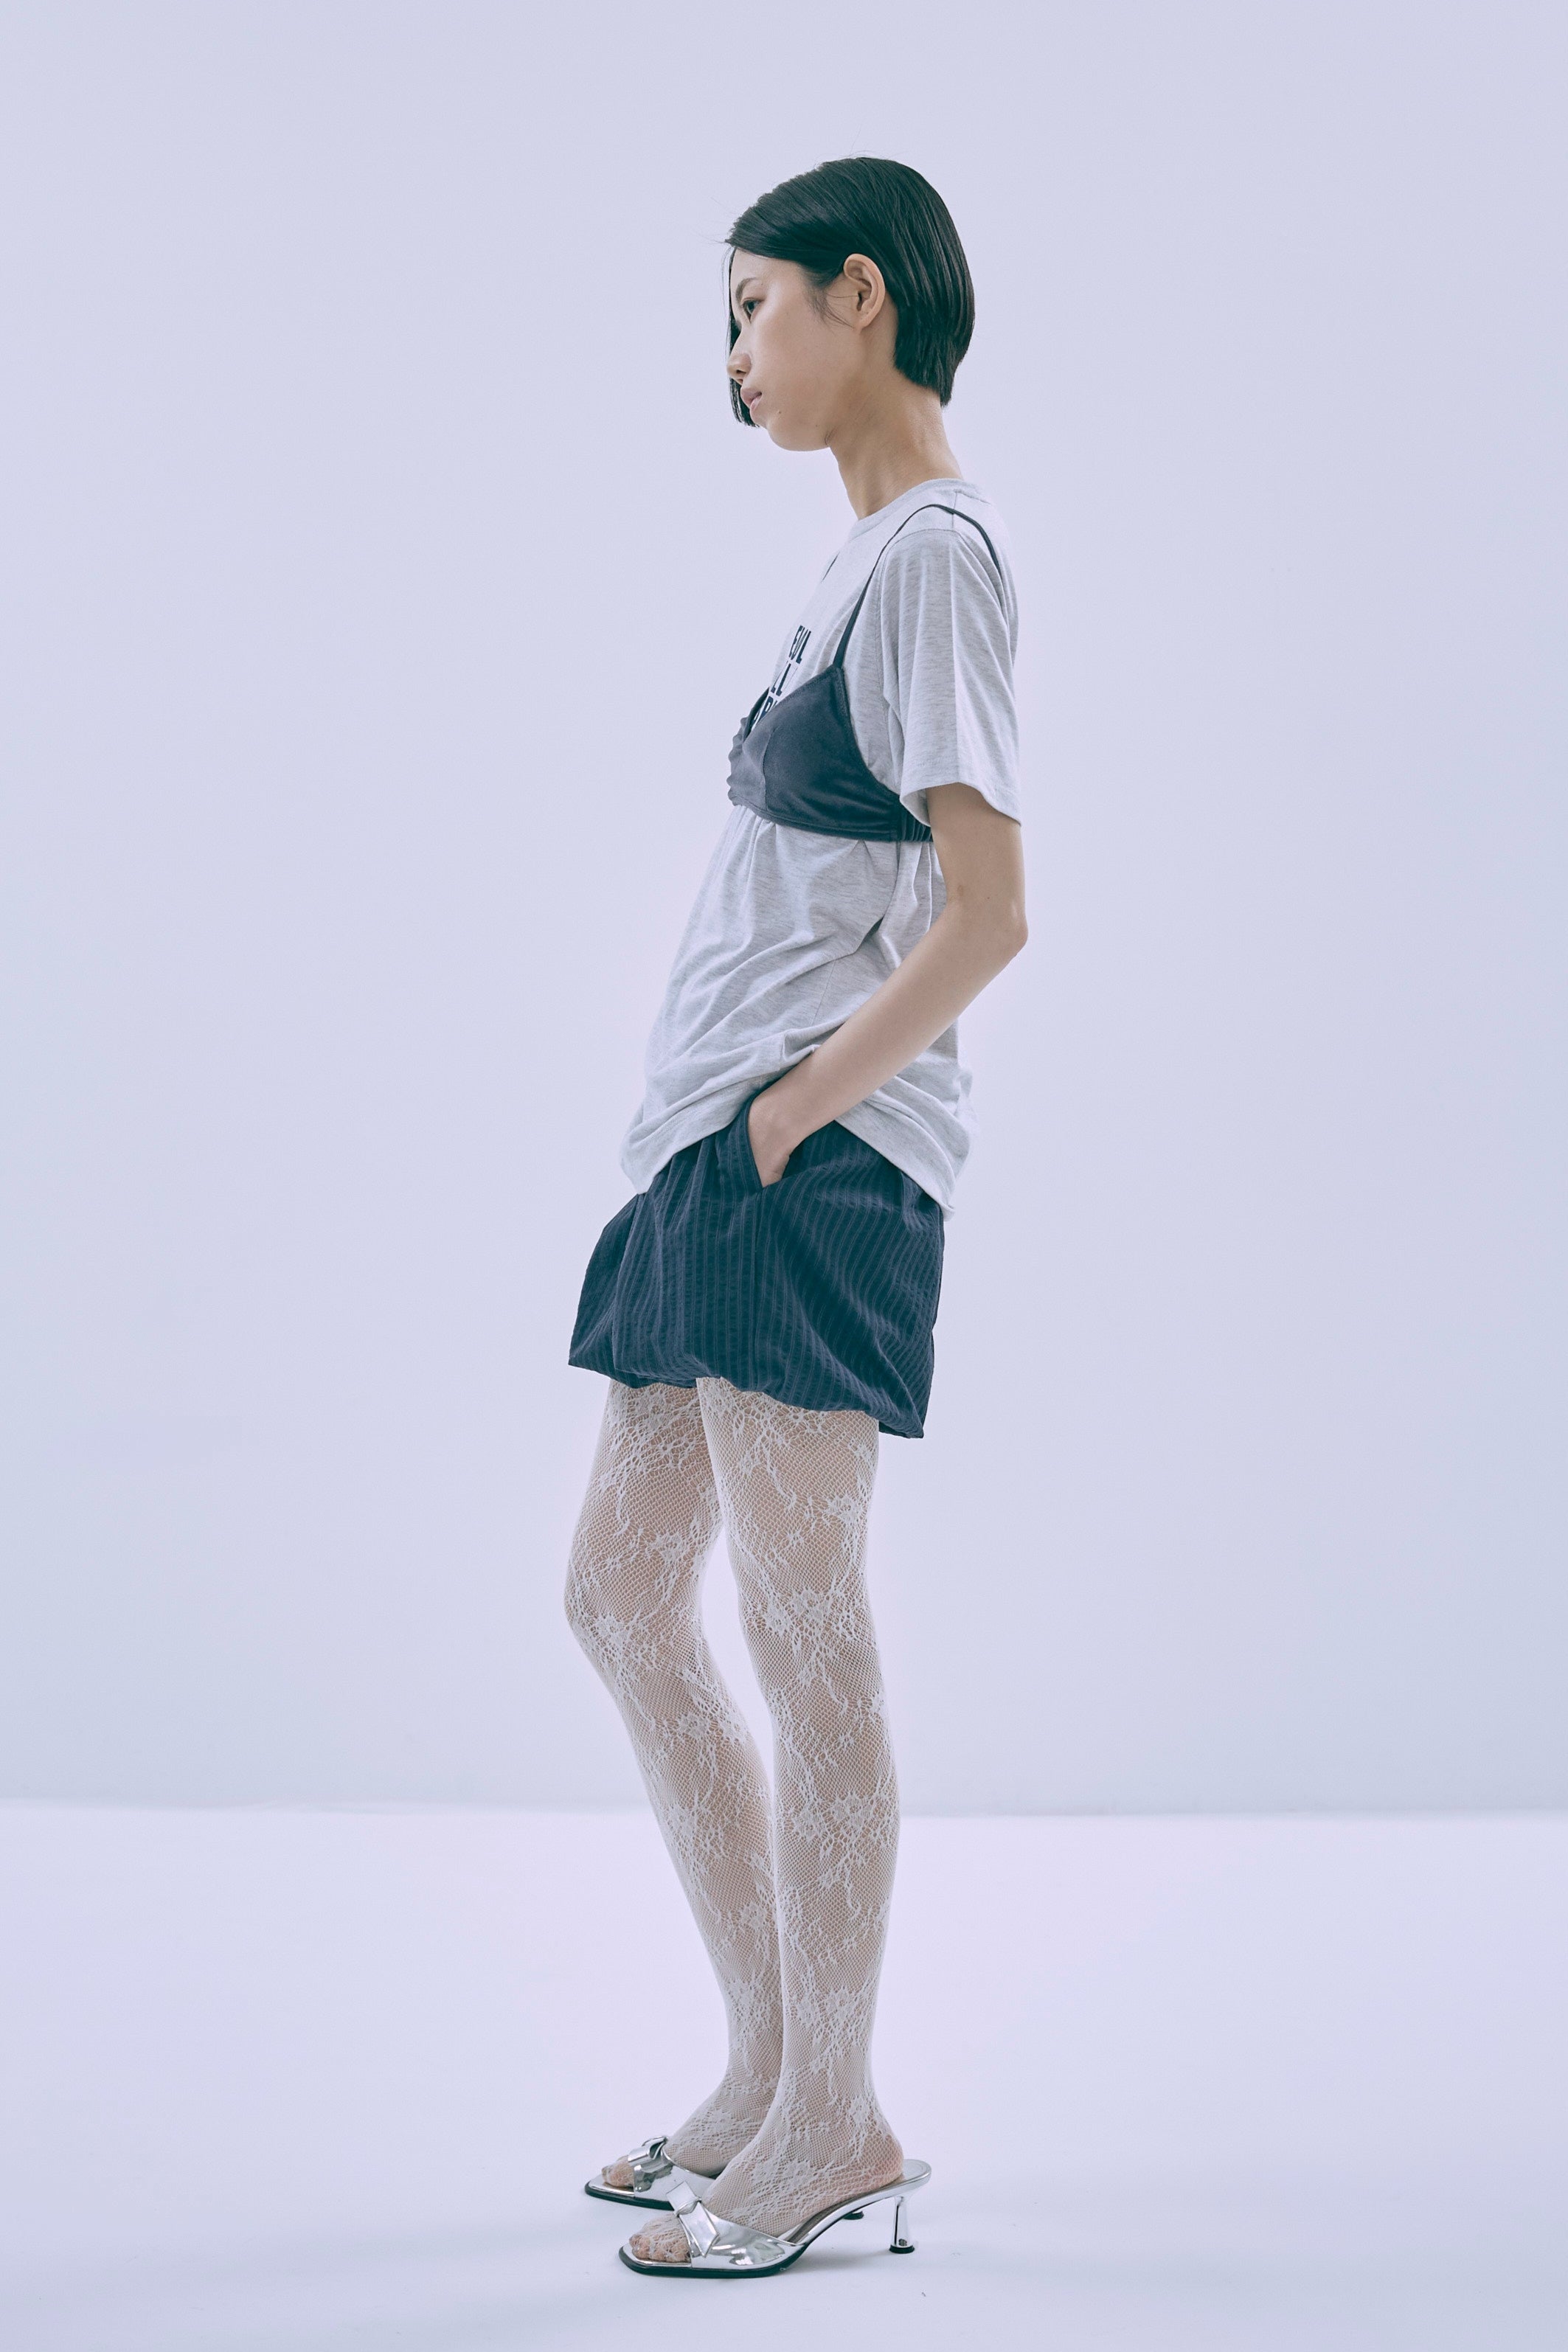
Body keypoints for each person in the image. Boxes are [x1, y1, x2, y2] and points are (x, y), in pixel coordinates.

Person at [563, 155, 1027, 2281]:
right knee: (621, 1594)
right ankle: (779, 2074)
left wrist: (785, 1118)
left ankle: (831, 2120)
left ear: (863, 295)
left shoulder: (933, 557)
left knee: (798, 1617)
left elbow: (989, 913)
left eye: (755, 309)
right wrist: (718, 1129)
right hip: (716, 1153)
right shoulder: (855, 568)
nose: (734, 357)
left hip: (806, 1168)